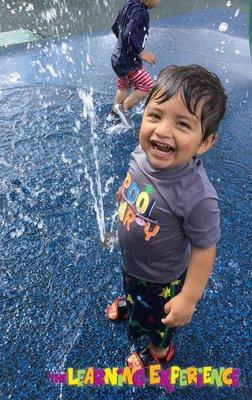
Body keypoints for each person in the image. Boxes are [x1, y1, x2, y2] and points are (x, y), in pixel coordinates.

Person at [106, 65, 227, 369]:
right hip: (134, 264)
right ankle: (133, 306)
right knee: (134, 289)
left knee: (161, 317)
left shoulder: (197, 196)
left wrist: (188, 299)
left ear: (205, 142)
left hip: (163, 277)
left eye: (183, 124)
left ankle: (160, 353)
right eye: (155, 116)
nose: (162, 131)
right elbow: (133, 176)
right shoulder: (140, 152)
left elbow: (204, 250)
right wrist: (124, 194)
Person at [107, 0, 161, 128]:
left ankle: (113, 114)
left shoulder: (128, 5)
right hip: (129, 62)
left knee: (124, 87)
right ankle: (124, 107)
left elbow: (115, 27)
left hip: (117, 58)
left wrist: (123, 45)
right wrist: (140, 52)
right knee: (147, 86)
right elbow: (128, 33)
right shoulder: (142, 12)